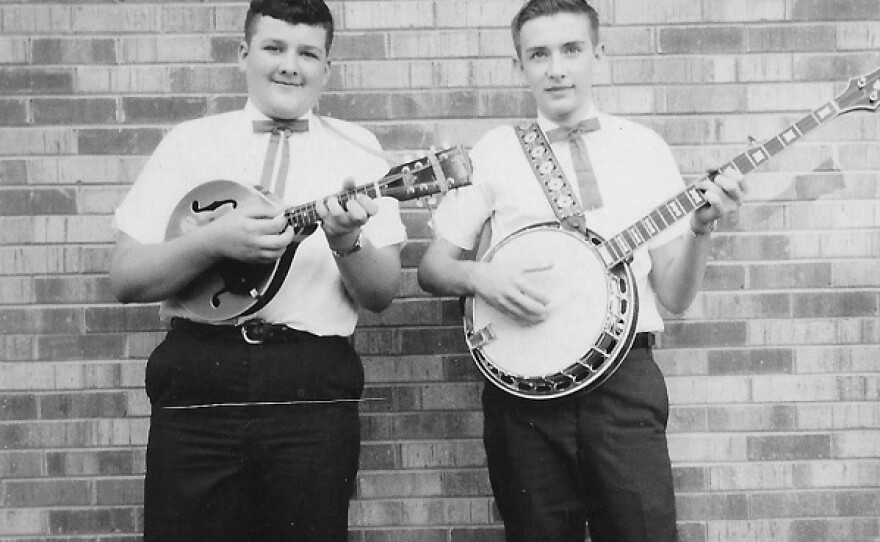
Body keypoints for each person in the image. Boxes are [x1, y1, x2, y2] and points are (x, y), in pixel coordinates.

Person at [417, 1, 746, 541]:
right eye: (539, 54)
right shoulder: (496, 151)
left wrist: (701, 230)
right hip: (524, 398)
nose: (557, 67)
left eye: (571, 49)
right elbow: (434, 268)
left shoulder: (643, 148)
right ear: (518, 66)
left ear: (597, 53)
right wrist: (482, 277)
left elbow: (674, 295)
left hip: (624, 384)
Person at [109, 0, 406, 540]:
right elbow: (125, 277)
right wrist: (214, 242)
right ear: (244, 52)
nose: (290, 65)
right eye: (274, 47)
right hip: (201, 372)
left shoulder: (360, 152)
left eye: (308, 53)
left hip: (311, 383)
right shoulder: (190, 142)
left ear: (327, 67)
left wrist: (346, 242)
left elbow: (383, 292)